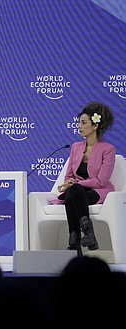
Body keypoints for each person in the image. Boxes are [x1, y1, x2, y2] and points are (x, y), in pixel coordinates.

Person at [56, 101, 115, 251]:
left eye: (83, 123)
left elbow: (101, 181)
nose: (79, 126)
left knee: (72, 194)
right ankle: (89, 234)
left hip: (98, 191)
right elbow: (69, 174)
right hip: (77, 192)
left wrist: (75, 184)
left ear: (95, 125)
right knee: (73, 193)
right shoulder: (76, 147)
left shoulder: (108, 149)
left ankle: (74, 244)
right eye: (79, 123)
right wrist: (69, 182)